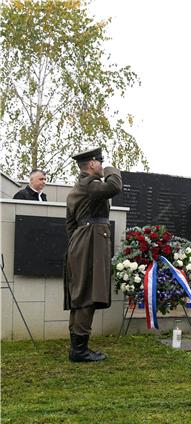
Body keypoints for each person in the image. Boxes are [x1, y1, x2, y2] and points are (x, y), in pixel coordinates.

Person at [63, 148, 122, 362]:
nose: (102, 165)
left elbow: (70, 224)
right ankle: (79, 351)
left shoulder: (76, 189)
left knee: (81, 295)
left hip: (80, 241)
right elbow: (115, 185)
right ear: (91, 165)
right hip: (91, 242)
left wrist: (79, 242)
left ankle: (77, 349)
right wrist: (110, 169)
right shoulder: (90, 185)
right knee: (87, 295)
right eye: (100, 161)